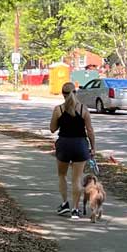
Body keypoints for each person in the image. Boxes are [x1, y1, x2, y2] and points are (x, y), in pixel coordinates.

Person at [50, 81, 96, 218]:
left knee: (62, 175)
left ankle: (65, 204)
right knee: (77, 179)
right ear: (75, 93)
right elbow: (90, 131)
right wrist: (93, 147)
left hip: (64, 145)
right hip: (80, 145)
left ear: (62, 95)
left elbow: (52, 129)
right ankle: (75, 209)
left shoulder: (58, 109)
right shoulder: (83, 109)